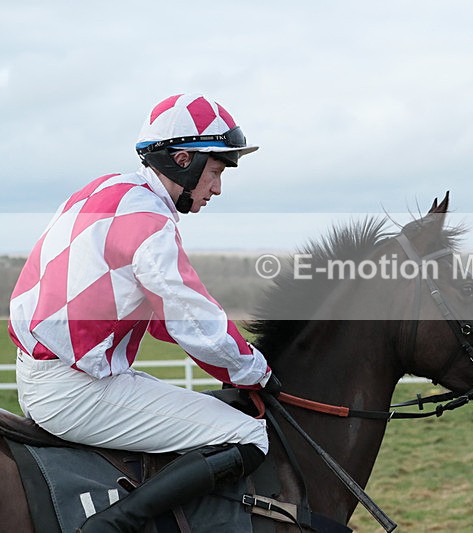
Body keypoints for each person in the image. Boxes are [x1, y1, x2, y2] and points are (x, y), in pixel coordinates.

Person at [8, 93, 275, 533]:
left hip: (50, 373)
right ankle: (115, 524)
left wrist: (233, 364)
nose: (217, 188)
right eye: (216, 171)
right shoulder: (150, 221)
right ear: (184, 161)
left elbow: (163, 318)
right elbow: (191, 318)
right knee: (249, 435)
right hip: (75, 390)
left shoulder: (104, 189)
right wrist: (255, 372)